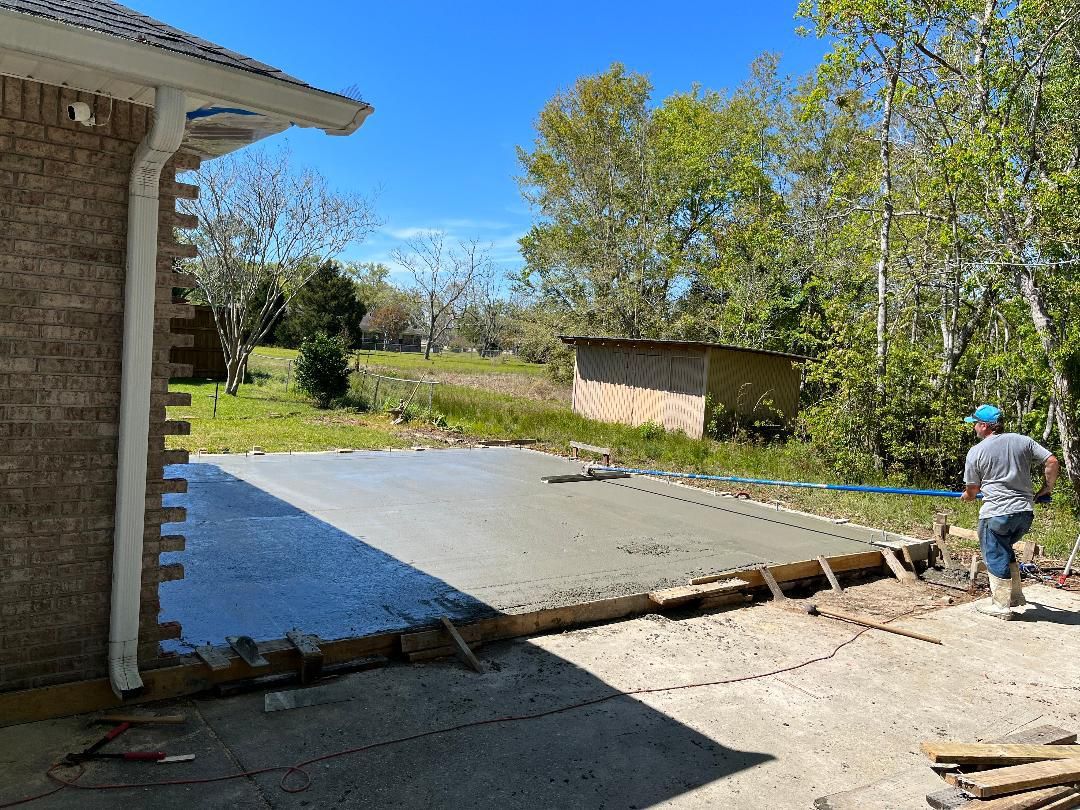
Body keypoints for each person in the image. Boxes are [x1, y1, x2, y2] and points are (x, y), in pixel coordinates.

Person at [960, 404, 1059, 619]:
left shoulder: (976, 451)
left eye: (976, 424)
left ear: (984, 426)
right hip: (1024, 513)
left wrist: (967, 496)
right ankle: (1015, 596)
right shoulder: (1023, 441)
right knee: (1004, 549)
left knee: (994, 554)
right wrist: (1047, 488)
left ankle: (1001, 606)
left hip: (997, 513)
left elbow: (973, 489)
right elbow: (1052, 461)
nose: (974, 428)